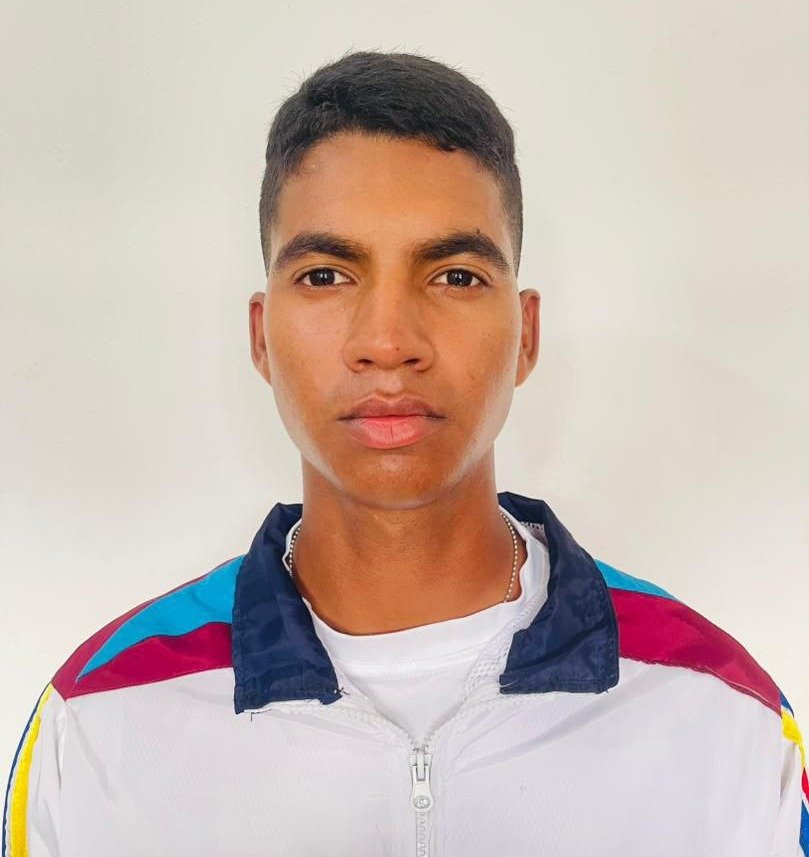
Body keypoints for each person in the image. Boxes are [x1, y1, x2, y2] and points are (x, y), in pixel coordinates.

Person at [4, 48, 807, 857]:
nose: (387, 342)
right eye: (326, 275)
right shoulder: (100, 722)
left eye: (454, 276)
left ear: (526, 335)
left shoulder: (720, 715)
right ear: (261, 336)